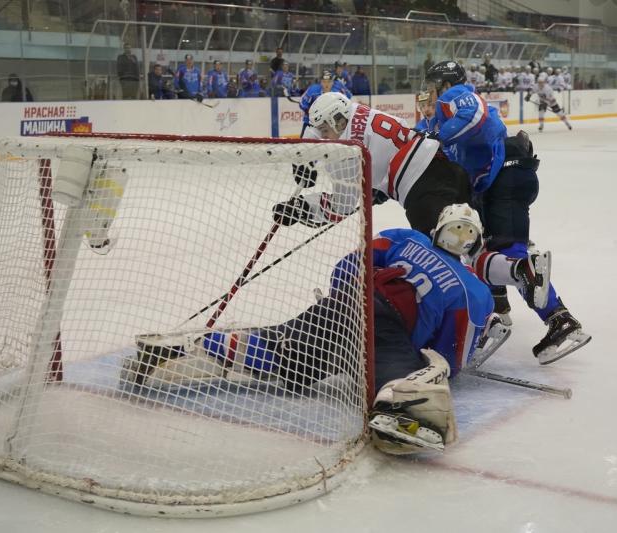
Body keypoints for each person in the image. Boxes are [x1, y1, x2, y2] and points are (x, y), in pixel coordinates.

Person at [122, 204, 519, 454]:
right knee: (400, 391)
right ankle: (400, 415)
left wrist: (342, 313)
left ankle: (189, 348)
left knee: (282, 353)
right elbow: (451, 358)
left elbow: (347, 266)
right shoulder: (475, 292)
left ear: (436, 231)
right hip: (387, 330)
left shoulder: (406, 238)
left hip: (347, 300)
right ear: (476, 243)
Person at [275, 92, 552, 316]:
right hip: (448, 169)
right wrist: (307, 157)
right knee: (467, 247)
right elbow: (316, 132)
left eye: (326, 130)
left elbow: (342, 206)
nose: (323, 136)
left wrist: (301, 208)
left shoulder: (347, 152)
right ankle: (514, 277)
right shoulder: (356, 110)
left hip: (423, 192)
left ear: (337, 120)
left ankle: (490, 305)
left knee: (441, 260)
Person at [424, 60, 589, 364]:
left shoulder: (457, 95)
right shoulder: (438, 118)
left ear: (445, 85)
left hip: (507, 178)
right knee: (484, 250)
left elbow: (472, 112)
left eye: (433, 87)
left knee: (508, 251)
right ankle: (499, 310)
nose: (429, 94)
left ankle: (559, 319)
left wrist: (436, 134)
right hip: (500, 182)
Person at [297, 70, 351, 136]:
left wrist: (341, 85)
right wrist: (310, 112)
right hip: (311, 124)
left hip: (331, 125)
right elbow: (302, 103)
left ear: (333, 82)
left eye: (329, 82)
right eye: (324, 82)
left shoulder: (337, 91)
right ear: (321, 82)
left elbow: (348, 98)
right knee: (304, 144)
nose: (326, 84)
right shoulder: (313, 90)